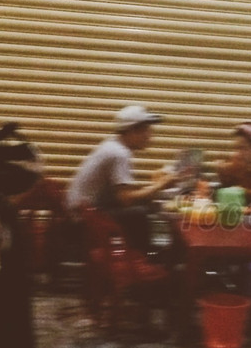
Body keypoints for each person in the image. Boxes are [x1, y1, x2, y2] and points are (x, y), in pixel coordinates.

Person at [66, 105, 176, 252]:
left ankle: (145, 254)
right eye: (146, 130)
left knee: (145, 206)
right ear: (131, 131)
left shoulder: (113, 145)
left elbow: (123, 191)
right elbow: (126, 199)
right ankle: (142, 258)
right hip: (83, 218)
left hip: (84, 211)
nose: (150, 136)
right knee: (140, 213)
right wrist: (160, 185)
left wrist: (154, 187)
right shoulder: (119, 154)